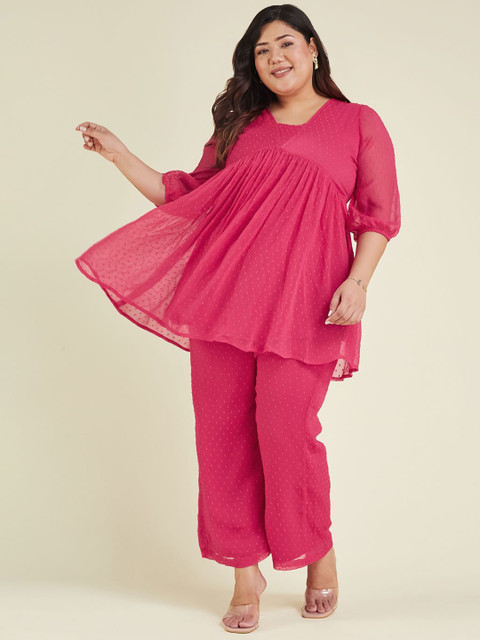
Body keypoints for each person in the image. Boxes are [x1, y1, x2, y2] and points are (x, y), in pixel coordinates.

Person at [74, 4, 401, 634]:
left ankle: (317, 552)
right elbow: (187, 196)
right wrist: (120, 155)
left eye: (286, 44)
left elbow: (378, 215)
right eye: (261, 50)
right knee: (221, 434)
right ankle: (243, 573)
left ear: (312, 49)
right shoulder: (242, 127)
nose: (275, 57)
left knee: (287, 430)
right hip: (224, 296)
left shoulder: (358, 121)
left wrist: (358, 282)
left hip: (307, 301)